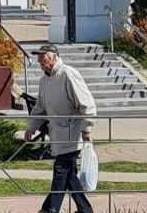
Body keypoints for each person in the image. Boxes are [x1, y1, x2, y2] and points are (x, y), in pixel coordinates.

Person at [22, 44, 97, 213]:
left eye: (44, 57)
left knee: (61, 170)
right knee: (69, 175)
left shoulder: (68, 74)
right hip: (57, 135)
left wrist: (86, 129)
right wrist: (31, 126)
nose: (40, 61)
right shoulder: (44, 80)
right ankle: (85, 210)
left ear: (54, 57)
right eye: (39, 58)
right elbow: (40, 106)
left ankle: (49, 209)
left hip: (71, 133)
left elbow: (88, 104)